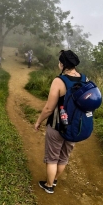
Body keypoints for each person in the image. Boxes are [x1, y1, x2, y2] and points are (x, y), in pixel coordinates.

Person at [33, 50, 82, 194]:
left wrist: (38, 121)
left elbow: (49, 108)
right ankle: (54, 180)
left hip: (57, 125)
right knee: (64, 157)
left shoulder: (59, 81)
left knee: (53, 157)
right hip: (74, 127)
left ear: (62, 64)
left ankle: (49, 185)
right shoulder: (84, 79)